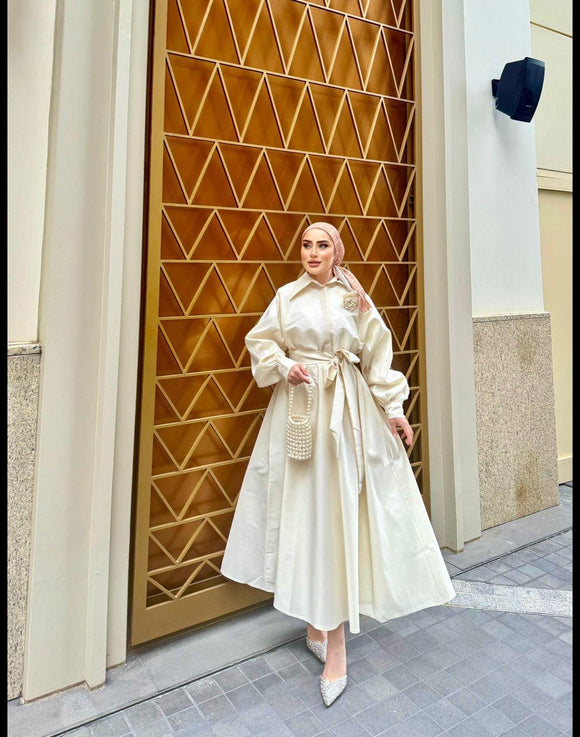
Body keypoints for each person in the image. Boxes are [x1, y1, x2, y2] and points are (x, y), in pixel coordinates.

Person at [220, 222, 456, 706]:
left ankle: (334, 641)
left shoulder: (355, 298)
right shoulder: (287, 296)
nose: (312, 252)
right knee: (307, 517)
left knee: (340, 516)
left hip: (349, 416)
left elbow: (377, 353)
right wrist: (287, 366)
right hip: (302, 412)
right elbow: (260, 343)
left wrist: (393, 410)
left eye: (322, 244)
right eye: (306, 244)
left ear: (337, 251)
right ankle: (319, 622)